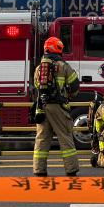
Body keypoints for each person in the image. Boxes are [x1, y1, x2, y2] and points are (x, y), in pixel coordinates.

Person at [31, 36, 79, 177]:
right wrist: (69, 96)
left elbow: (37, 86)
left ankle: (39, 170)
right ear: (57, 49)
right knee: (65, 137)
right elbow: (75, 86)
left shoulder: (39, 68)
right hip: (58, 106)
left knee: (42, 139)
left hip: (42, 106)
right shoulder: (63, 66)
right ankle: (71, 169)